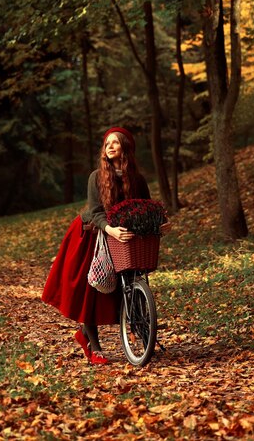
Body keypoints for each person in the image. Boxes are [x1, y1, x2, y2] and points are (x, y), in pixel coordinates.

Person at [41, 126, 151, 365]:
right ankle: (94, 346)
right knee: (92, 288)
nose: (109, 147)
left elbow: (146, 206)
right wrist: (110, 229)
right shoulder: (96, 177)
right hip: (90, 233)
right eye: (107, 143)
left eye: (115, 143)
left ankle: (142, 330)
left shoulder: (137, 179)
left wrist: (159, 223)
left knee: (127, 280)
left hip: (122, 235)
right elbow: (95, 212)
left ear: (126, 147)